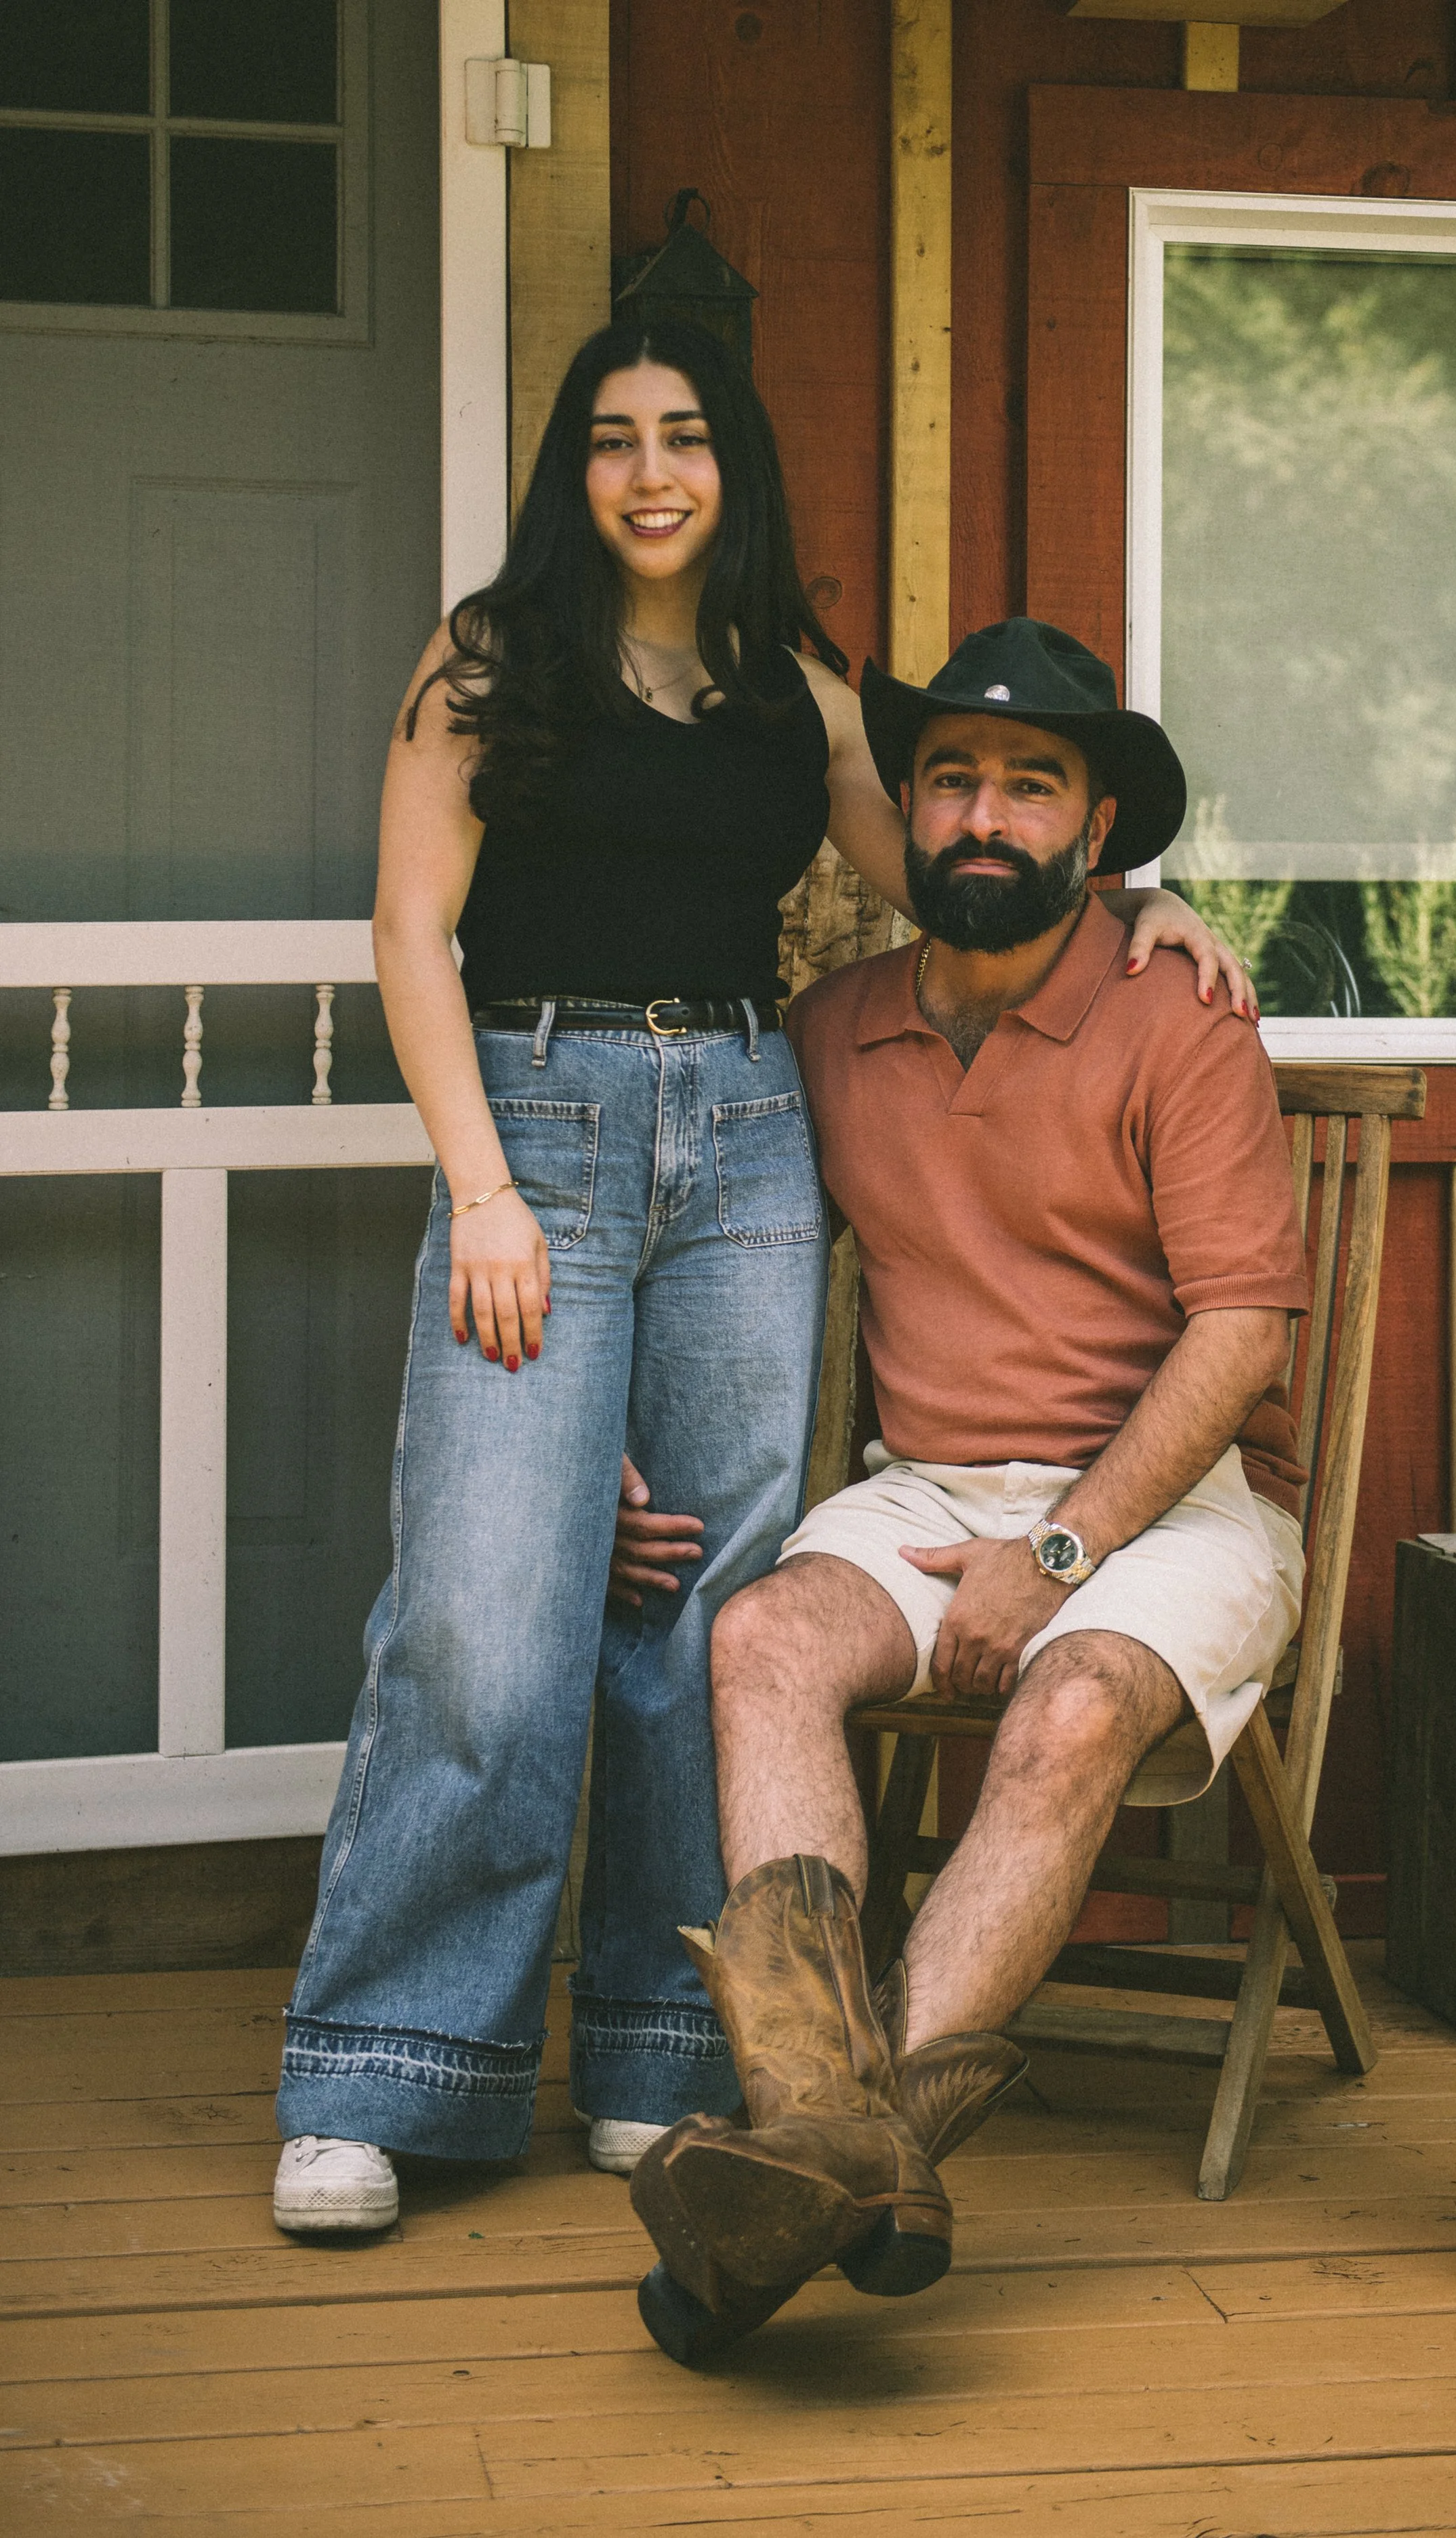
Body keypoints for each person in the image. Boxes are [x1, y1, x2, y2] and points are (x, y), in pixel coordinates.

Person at [270, 323, 1249, 2236]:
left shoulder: (797, 702)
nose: (652, 473)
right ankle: (386, 2076)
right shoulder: (485, 662)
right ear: (574, 470)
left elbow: (969, 881)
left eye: (689, 438)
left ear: (737, 469)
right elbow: (408, 927)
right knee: (481, 1613)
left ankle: (657, 2050)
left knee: (700, 1600)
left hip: (737, 1128)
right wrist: (477, 1186)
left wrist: (1142, 903)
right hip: (534, 1133)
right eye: (616, 441)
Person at [627, 619, 1310, 2365]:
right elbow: (688, 1241)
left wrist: (1062, 1549)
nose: (984, 819)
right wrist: (603, 1434)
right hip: (925, 1486)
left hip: (1178, 1505)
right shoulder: (829, 1031)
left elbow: (1239, 1338)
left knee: (1075, 1708)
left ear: (1095, 835)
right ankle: (845, 2147)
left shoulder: (1182, 1019)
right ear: (906, 815)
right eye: (952, 782)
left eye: (1032, 787)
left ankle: (822, 2164)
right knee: (763, 1636)